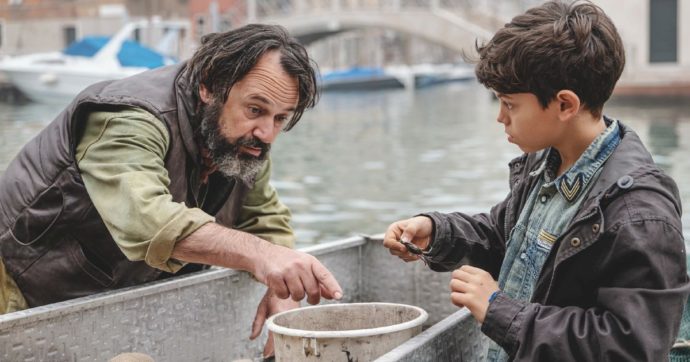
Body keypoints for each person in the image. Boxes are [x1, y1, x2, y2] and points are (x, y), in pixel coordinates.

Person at [0, 24, 342, 357]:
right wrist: (265, 257)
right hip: (23, 293)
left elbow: (263, 215)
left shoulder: (243, 143)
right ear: (209, 86)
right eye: (256, 109)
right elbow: (148, 221)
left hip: (116, 305)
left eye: (281, 118)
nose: (267, 133)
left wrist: (282, 287)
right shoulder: (128, 117)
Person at [383, 1, 689, 361]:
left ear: (564, 105)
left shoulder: (639, 214)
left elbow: (632, 347)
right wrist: (438, 232)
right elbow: (503, 238)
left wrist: (498, 310)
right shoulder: (544, 164)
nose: (500, 118)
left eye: (509, 104)